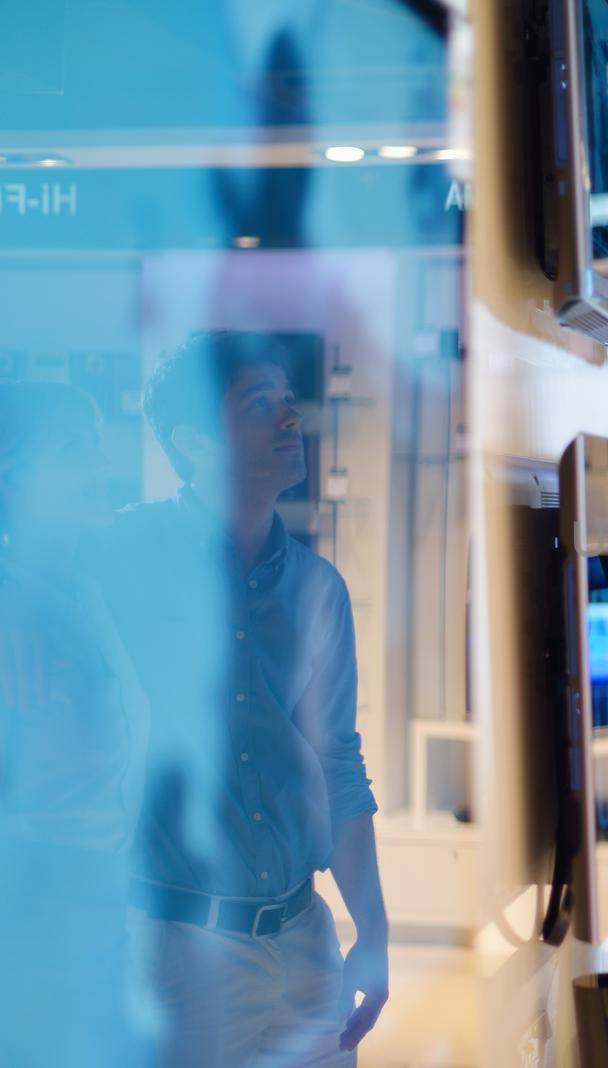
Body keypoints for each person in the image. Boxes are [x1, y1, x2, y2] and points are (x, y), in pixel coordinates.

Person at [95, 332, 389, 1066]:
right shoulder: (119, 557)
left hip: (305, 943)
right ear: (193, 438)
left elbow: (338, 765)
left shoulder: (319, 588)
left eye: (289, 402)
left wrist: (374, 933)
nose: (292, 420)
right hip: (183, 950)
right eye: (261, 406)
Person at [0, 381, 150, 1065]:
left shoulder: (89, 586)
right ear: (12, 473)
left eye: (94, 443)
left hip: (102, 903)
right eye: (70, 449)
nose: (98, 465)